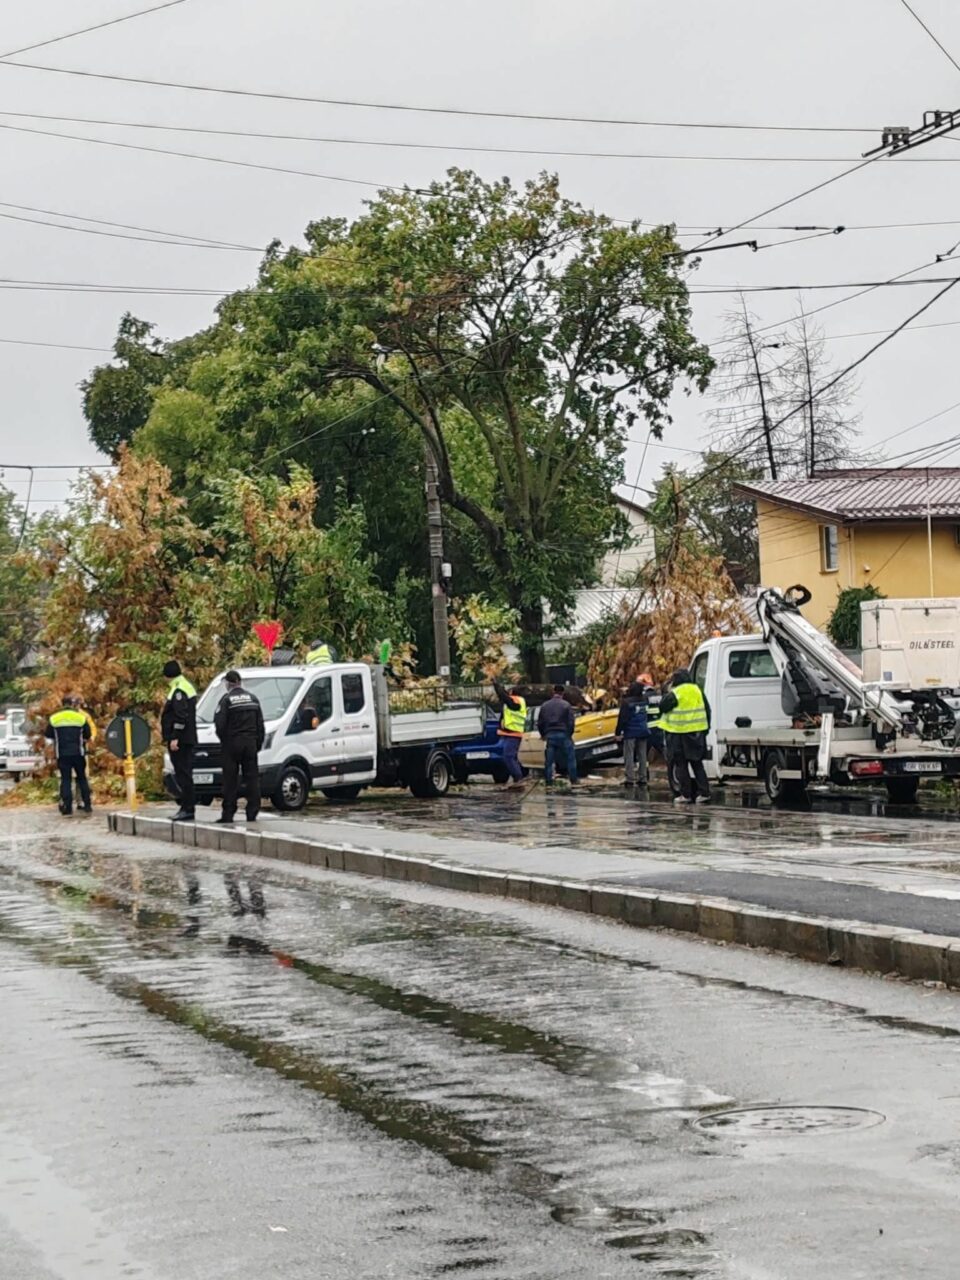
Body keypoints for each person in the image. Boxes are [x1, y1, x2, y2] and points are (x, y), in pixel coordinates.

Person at [214, 670, 265, 823]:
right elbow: (260, 725)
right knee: (252, 778)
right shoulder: (253, 699)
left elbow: (219, 725)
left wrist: (225, 741)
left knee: (230, 780)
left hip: (232, 744)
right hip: (250, 744)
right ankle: (252, 812)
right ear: (240, 682)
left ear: (227, 684)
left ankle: (228, 813)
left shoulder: (226, 700)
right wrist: (257, 744)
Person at [659, 668, 712, 805]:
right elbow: (707, 710)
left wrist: (668, 690)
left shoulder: (676, 692)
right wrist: (706, 729)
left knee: (681, 765)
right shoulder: (697, 690)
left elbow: (663, 706)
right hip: (696, 734)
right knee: (697, 764)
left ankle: (686, 794)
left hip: (678, 735)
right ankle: (704, 793)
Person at [161, 659, 198, 822]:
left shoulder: (178, 690)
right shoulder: (183, 685)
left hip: (181, 740)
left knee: (183, 774)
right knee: (184, 773)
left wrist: (175, 737)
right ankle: (186, 807)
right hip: (186, 738)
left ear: (167, 676)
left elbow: (181, 716)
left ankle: (187, 808)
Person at [45, 695, 92, 816]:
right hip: (78, 753)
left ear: (62, 704)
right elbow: (88, 734)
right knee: (82, 778)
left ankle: (68, 807)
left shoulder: (54, 719)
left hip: (62, 754)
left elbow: (48, 734)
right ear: (72, 704)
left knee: (66, 780)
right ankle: (87, 805)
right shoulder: (81, 718)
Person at [537, 684, 578, 788]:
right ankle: (573, 780)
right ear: (563, 693)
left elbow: (540, 722)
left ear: (553, 692)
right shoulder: (566, 705)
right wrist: (569, 734)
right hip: (563, 734)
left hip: (550, 735)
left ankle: (548, 781)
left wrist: (543, 734)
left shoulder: (545, 705)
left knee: (549, 761)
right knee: (570, 758)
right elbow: (571, 722)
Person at [492, 678, 528, 789]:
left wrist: (496, 684)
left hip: (513, 734)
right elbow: (504, 696)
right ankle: (518, 778)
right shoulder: (516, 700)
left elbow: (505, 697)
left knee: (508, 757)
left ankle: (518, 779)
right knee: (511, 757)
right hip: (510, 734)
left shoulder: (516, 701)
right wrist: (498, 687)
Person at [615, 681, 650, 787]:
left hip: (630, 731)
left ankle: (630, 778)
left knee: (629, 755)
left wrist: (617, 732)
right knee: (642, 755)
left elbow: (622, 719)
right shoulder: (645, 700)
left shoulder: (627, 702)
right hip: (643, 730)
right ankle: (643, 777)